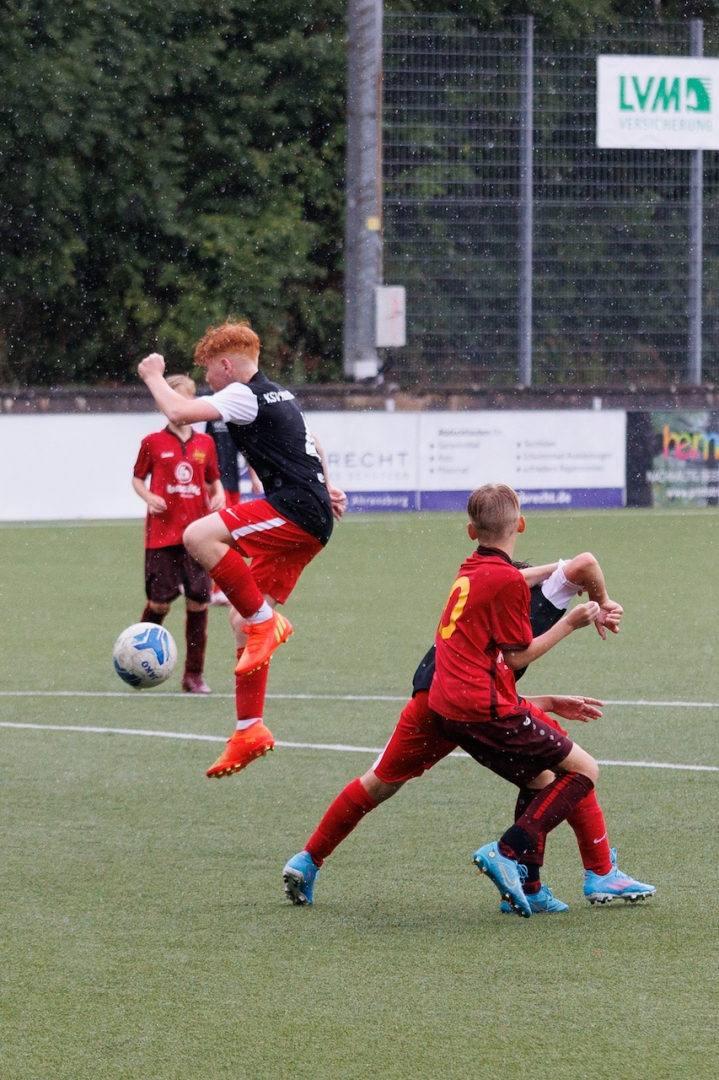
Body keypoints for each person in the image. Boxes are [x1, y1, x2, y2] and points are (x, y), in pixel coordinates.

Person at [283, 500, 655, 914]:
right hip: (474, 703)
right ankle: (593, 871)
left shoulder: (480, 574)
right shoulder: (537, 594)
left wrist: (548, 700)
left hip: (437, 694)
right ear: (520, 526)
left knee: (382, 784)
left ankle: (309, 858)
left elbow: (495, 666)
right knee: (570, 769)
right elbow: (582, 567)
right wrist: (601, 605)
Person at [138, 319, 346, 778]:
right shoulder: (280, 394)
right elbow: (312, 442)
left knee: (198, 537)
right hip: (309, 511)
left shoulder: (242, 393)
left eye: (209, 371)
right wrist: (327, 486)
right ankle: (249, 729)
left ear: (227, 366)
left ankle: (265, 621)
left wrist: (153, 375)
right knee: (238, 621)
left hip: (295, 509)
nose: (207, 381)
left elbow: (179, 412)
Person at [132, 374, 225, 694]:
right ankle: (136, 661)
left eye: (185, 400)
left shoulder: (205, 443)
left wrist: (219, 495)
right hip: (162, 535)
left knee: (198, 602)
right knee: (159, 604)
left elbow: (213, 480)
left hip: (197, 536)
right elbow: (137, 479)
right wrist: (148, 496)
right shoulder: (152, 442)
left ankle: (193, 676)